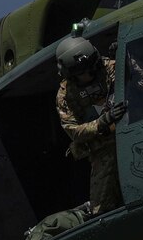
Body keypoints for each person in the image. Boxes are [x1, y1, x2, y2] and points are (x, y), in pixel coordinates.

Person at [53, 33, 126, 214]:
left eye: (91, 68)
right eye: (82, 73)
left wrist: (128, 57)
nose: (89, 75)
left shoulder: (110, 67)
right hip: (103, 150)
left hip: (129, 134)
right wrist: (103, 122)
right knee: (101, 209)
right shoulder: (66, 96)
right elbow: (74, 132)